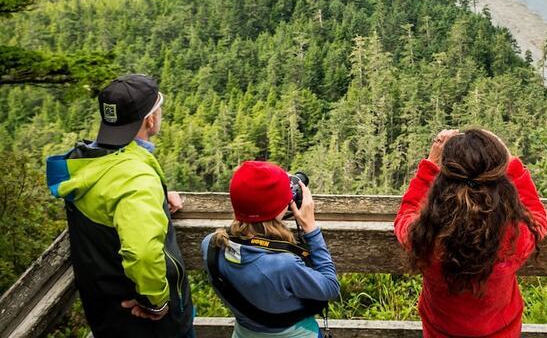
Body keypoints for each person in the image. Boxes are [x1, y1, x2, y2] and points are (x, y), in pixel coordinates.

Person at [46, 73, 194, 337]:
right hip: (147, 323)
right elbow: (143, 253)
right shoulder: (136, 180)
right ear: (150, 119)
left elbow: (109, 202)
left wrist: (158, 193)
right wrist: (155, 301)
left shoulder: (88, 163)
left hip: (106, 311)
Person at [395, 128, 547, 338]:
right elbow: (538, 217)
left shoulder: (426, 236)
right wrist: (508, 159)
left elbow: (406, 215)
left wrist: (431, 164)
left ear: (443, 183)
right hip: (502, 332)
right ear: (500, 183)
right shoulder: (514, 236)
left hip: (440, 331)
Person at [201, 161, 340, 338]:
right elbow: (330, 287)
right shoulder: (283, 265)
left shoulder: (211, 246)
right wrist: (311, 228)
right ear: (279, 208)